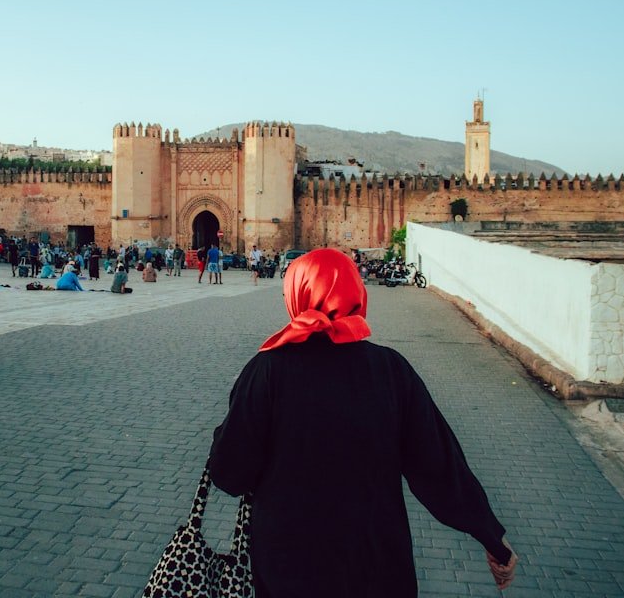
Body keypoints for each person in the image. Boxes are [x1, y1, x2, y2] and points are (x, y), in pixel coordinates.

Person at [208, 248, 518, 597]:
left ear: (299, 295)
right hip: (376, 563)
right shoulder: (390, 370)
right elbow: (439, 464)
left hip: (291, 567)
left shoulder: (267, 371)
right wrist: (491, 536)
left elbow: (229, 473)